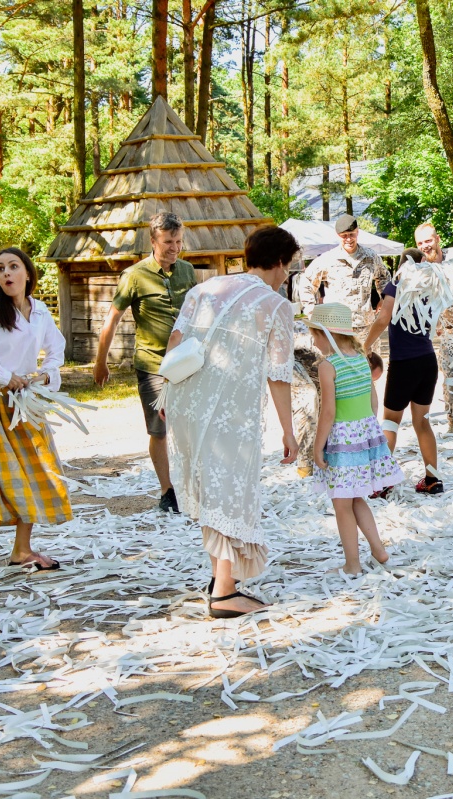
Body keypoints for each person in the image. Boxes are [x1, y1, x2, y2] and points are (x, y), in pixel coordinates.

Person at [164, 225, 300, 619]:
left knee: (212, 491)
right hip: (230, 410)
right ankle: (224, 592)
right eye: (289, 265)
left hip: (187, 401)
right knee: (228, 493)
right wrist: (288, 430)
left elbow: (175, 343)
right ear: (279, 262)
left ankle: (220, 579)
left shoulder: (204, 289)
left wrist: (167, 395)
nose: (287, 274)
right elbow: (279, 374)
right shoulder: (275, 305)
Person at [0, 248, 71, 581]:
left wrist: (45, 375)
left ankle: (22, 549)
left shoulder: (39, 311)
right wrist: (6, 377)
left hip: (25, 402)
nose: (6, 273)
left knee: (34, 468)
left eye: (13, 266)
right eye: (0, 268)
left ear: (27, 274)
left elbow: (56, 350)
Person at [94, 211, 195, 513]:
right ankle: (168, 491)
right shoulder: (134, 276)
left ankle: (192, 485)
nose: (174, 248)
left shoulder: (188, 271)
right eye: (168, 242)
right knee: (159, 430)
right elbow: (112, 319)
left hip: (188, 363)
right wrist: (100, 362)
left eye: (178, 241)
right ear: (153, 241)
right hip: (153, 366)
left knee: (190, 426)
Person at [294, 214, 391, 476]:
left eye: (352, 234)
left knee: (363, 386)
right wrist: (313, 314)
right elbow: (306, 283)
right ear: (338, 237)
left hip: (363, 333)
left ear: (358, 232)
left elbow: (384, 280)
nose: (349, 239)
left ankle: (366, 443)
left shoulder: (371, 256)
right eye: (344, 236)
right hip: (335, 332)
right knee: (328, 391)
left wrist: (384, 302)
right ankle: (320, 450)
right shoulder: (327, 259)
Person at [309, 303, 403, 575]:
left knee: (341, 503)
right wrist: (366, 430)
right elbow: (373, 402)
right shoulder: (362, 359)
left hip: (342, 440)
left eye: (315, 335)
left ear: (327, 335)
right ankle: (378, 550)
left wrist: (317, 447)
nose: (313, 342)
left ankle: (352, 564)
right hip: (364, 435)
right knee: (354, 496)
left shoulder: (328, 366)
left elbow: (328, 412)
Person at [364, 248, 444, 495]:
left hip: (404, 362)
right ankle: (433, 479)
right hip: (428, 360)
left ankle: (382, 482)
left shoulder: (397, 283)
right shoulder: (430, 287)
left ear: (400, 265)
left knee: (390, 421)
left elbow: (383, 318)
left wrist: (365, 345)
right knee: (422, 422)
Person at [416, 222, 453, 434]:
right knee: (452, 374)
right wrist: (433, 322)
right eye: (420, 243)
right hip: (449, 328)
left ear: (437, 239)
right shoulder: (420, 268)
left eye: (428, 240)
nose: (425, 246)